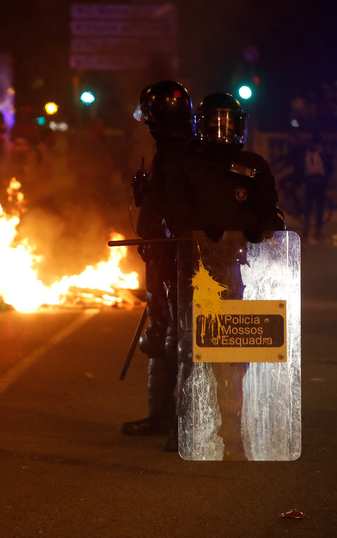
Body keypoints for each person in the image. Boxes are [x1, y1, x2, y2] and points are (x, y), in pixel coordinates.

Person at [163, 92, 286, 458]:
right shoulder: (187, 164)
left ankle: (234, 428)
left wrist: (259, 227)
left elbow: (272, 214)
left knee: (235, 353)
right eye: (215, 122)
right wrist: (199, 229)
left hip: (237, 268)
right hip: (196, 271)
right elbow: (176, 216)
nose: (222, 130)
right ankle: (187, 427)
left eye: (229, 123)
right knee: (193, 352)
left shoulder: (253, 165)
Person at [121, 80, 198, 448]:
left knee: (179, 343)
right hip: (162, 259)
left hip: (177, 263)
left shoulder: (182, 156)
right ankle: (161, 417)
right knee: (161, 338)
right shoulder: (173, 153)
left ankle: (182, 425)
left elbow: (179, 214)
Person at [301, 132, 333, 241]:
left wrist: (325, 180)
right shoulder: (306, 154)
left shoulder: (325, 155)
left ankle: (318, 229)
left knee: (319, 206)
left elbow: (329, 169)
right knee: (308, 205)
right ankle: (306, 227)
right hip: (310, 181)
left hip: (320, 181)